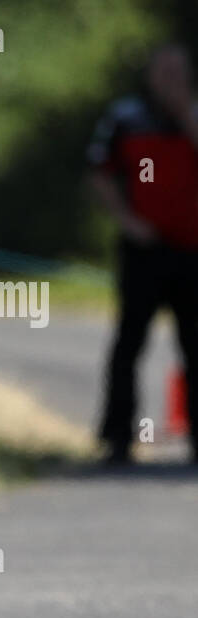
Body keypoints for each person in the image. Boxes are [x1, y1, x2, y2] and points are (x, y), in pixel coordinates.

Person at [88, 43, 198, 464]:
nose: (171, 80)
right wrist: (127, 220)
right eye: (163, 72)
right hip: (144, 250)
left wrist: (185, 115)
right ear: (150, 76)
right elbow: (98, 171)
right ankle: (118, 438)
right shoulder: (126, 118)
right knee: (129, 343)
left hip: (192, 250)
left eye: (178, 72)